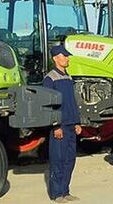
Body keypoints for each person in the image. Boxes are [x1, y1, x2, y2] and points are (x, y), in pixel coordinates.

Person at [43, 44, 81, 203]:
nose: (67, 58)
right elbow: (48, 105)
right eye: (64, 56)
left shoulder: (68, 77)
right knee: (57, 160)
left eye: (67, 56)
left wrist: (78, 122)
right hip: (60, 127)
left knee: (70, 160)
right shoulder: (50, 78)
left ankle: (65, 191)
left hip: (72, 125)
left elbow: (73, 102)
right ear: (55, 58)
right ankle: (56, 194)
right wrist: (55, 126)